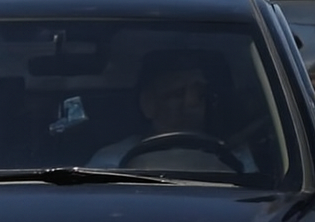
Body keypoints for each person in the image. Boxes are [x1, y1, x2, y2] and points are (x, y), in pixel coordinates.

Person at [90, 51, 255, 171]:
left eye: (200, 94)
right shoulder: (113, 162)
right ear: (148, 103)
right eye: (177, 94)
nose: (192, 103)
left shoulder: (232, 157)